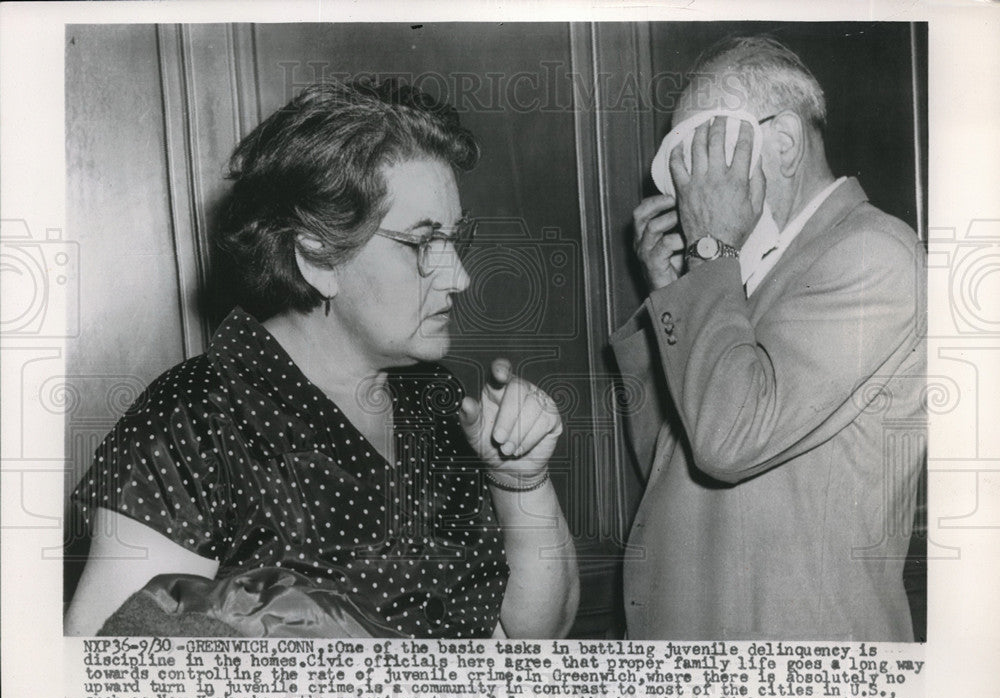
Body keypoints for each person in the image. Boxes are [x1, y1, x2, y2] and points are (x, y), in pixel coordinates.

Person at [64, 80, 579, 638]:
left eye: (456, 240)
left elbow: (534, 641)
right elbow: (104, 685)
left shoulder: (435, 396)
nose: (459, 277)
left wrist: (520, 481)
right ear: (316, 257)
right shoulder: (192, 420)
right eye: (424, 243)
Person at [611, 36, 925, 640]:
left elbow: (728, 443)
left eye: (704, 154)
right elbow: (666, 471)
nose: (687, 188)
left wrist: (708, 258)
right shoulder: (737, 277)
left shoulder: (874, 253)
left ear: (782, 143)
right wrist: (669, 289)